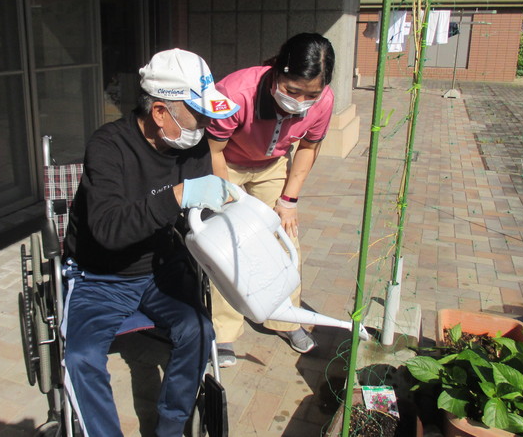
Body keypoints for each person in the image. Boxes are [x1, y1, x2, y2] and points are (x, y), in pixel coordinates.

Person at [61, 48, 241, 437]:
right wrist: (177, 195)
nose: (207, 125)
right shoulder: (108, 147)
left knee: (199, 331)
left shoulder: (192, 147)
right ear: (160, 112)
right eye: (199, 115)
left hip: (162, 268)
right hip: (100, 276)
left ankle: (171, 428)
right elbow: (109, 230)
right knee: (80, 357)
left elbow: (198, 222)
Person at [206, 32, 335, 367]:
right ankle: (223, 332)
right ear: (277, 71)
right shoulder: (234, 92)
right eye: (292, 90)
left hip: (272, 167)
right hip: (227, 166)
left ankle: (286, 318)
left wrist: (289, 199)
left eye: (311, 94)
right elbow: (213, 151)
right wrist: (230, 204)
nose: (300, 100)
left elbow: (308, 147)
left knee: (284, 242)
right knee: (227, 247)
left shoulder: (323, 101)